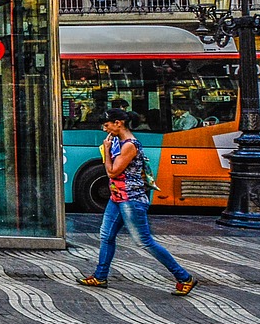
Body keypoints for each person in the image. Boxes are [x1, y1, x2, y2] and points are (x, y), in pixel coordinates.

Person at [79, 108, 196, 295]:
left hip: (131, 200)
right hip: (117, 198)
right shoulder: (119, 141)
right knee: (106, 236)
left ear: (119, 123)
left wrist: (107, 151)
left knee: (144, 241)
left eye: (107, 124)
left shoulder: (129, 146)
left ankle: (184, 277)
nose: (104, 129)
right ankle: (100, 276)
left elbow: (112, 171)